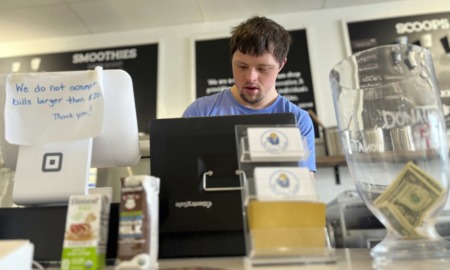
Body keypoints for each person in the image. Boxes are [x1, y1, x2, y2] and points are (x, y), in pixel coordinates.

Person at [182, 16, 316, 173]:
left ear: (281, 65)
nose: (250, 77)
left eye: (263, 68)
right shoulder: (200, 112)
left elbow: (305, 187)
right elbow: (181, 178)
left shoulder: (298, 120)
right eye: (242, 66)